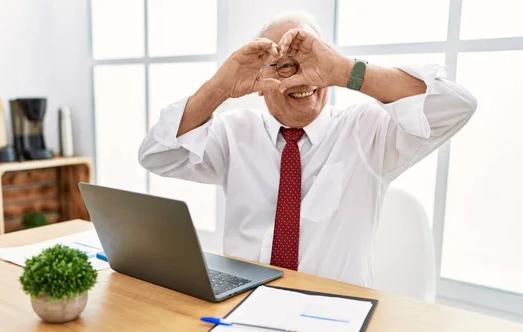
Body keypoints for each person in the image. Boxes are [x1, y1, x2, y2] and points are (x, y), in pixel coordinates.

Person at [138, 11, 477, 287]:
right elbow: (157, 154)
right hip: (242, 305)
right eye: (286, 66)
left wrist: (345, 71)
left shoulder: (367, 131)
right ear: (259, 81)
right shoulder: (235, 133)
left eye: (313, 60)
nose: (303, 79)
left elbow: (455, 105)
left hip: (334, 313)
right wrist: (219, 88)